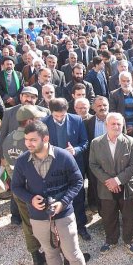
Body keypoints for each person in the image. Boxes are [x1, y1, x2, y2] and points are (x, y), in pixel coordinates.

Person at [11, 121, 96, 265]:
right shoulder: (22, 161)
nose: (29, 144)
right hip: (38, 217)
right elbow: (16, 187)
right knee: (50, 252)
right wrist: (30, 198)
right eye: (27, 140)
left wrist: (63, 202)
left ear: (46, 138)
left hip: (64, 215)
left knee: (72, 253)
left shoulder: (64, 156)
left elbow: (78, 182)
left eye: (33, 140)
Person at [1, 105, 47, 265]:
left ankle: (36, 257)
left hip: (18, 189)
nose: (39, 121)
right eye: (36, 119)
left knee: (28, 224)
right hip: (36, 190)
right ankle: (53, 253)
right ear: (29, 121)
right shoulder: (33, 141)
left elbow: (6, 164)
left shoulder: (8, 138)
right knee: (48, 221)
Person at [88, 112, 133, 254]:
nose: (116, 126)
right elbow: (93, 164)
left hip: (127, 186)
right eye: (113, 123)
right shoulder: (96, 143)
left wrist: (116, 180)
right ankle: (111, 240)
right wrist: (109, 181)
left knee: (129, 215)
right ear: (106, 125)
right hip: (106, 187)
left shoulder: (131, 142)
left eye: (119, 124)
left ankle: (130, 240)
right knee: (109, 215)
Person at [42, 98, 90, 241]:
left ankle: (81, 226)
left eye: (62, 115)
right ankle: (60, 229)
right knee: (58, 197)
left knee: (78, 196)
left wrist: (75, 150)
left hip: (74, 165)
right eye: (56, 116)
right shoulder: (44, 123)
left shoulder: (77, 120)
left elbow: (85, 142)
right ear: (51, 113)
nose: (59, 118)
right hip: (54, 168)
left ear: (67, 110)